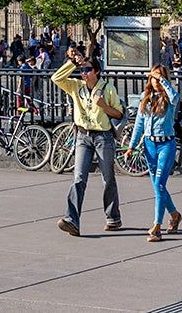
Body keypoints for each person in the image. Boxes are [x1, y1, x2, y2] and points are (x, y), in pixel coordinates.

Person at [52, 45, 123, 237]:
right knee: (79, 178)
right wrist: (73, 63)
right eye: (82, 70)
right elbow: (56, 78)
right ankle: (72, 219)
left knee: (108, 177)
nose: (84, 73)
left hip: (103, 136)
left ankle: (113, 217)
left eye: (87, 70)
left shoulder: (107, 89)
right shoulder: (77, 87)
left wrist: (103, 106)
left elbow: (118, 113)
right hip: (83, 135)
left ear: (97, 71)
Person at [126, 65, 180, 242]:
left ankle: (157, 226)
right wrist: (131, 146)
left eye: (159, 78)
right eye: (153, 79)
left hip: (166, 143)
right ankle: (174, 214)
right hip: (149, 144)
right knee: (158, 186)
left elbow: (175, 97)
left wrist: (162, 80)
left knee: (160, 184)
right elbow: (139, 124)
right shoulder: (145, 98)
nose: (155, 82)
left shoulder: (170, 97)